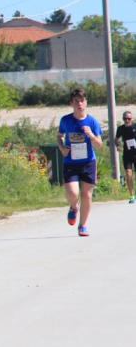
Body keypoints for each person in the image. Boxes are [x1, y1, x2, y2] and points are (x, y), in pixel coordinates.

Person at [57, 88, 103, 237]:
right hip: (70, 161)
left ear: (86, 102)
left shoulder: (92, 121)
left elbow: (99, 145)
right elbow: (59, 136)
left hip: (88, 162)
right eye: (76, 101)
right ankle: (73, 207)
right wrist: (62, 147)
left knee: (87, 195)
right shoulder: (66, 120)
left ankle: (82, 225)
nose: (79, 103)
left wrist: (90, 134)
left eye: (82, 100)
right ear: (71, 103)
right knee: (72, 192)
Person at [115, 111, 136, 203]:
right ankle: (132, 196)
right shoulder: (120, 129)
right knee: (128, 173)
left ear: (132, 119)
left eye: (129, 119)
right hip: (127, 154)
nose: (127, 120)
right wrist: (118, 145)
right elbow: (116, 139)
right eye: (125, 119)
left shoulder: (135, 126)